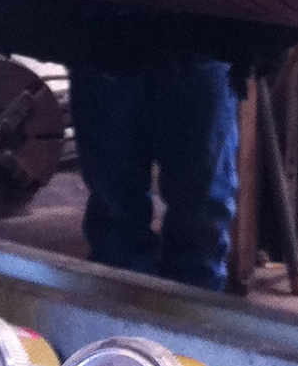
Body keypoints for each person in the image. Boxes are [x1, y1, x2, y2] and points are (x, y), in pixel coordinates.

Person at [68, 49, 240, 291]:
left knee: (201, 210)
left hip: (204, 40)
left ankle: (188, 309)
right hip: (108, 38)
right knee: (116, 206)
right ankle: (123, 306)